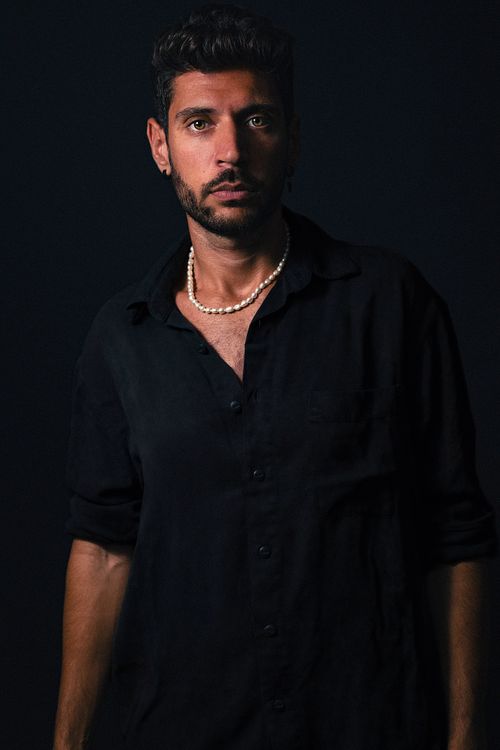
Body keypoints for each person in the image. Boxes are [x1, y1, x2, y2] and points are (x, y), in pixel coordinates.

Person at [53, 4, 498, 749]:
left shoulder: (389, 303)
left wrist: (465, 738)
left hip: (368, 726)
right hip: (183, 729)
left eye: (255, 119)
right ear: (161, 145)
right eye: (199, 123)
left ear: (292, 138)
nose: (229, 151)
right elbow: (102, 550)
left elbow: (456, 537)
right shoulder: (121, 336)